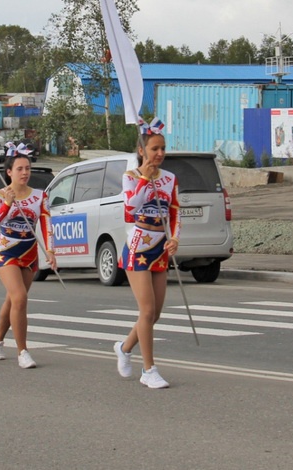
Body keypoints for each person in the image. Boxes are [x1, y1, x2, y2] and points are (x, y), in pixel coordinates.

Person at [113, 118, 181, 389]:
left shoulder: (170, 178)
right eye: (154, 149)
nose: (160, 154)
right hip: (137, 248)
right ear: (142, 151)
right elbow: (130, 210)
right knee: (147, 309)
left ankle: (124, 347)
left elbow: (174, 211)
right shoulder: (130, 177)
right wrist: (145, 178)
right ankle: (148, 369)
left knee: (155, 315)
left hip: (160, 249)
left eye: (163, 148)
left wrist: (175, 237)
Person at [0, 151, 56, 369]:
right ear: (9, 172)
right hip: (6, 251)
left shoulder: (39, 195)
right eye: (20, 169)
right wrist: (7, 204)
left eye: (27, 168)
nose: (25, 172)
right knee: (20, 298)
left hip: (29, 253)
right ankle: (22, 351)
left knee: (13, 301)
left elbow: (46, 223)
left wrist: (50, 251)